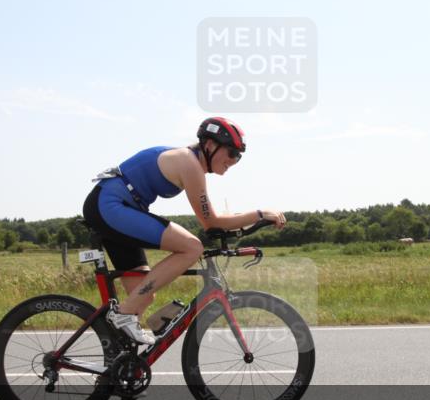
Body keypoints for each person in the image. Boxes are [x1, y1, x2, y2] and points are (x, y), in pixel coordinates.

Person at [82, 117, 286, 344]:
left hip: (115, 208)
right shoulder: (189, 163)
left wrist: (251, 221)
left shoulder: (190, 161)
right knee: (191, 247)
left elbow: (216, 220)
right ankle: (123, 314)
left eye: (238, 156)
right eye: (231, 153)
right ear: (209, 145)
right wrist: (259, 214)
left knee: (143, 296)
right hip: (110, 206)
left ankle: (118, 363)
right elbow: (212, 222)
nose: (234, 161)